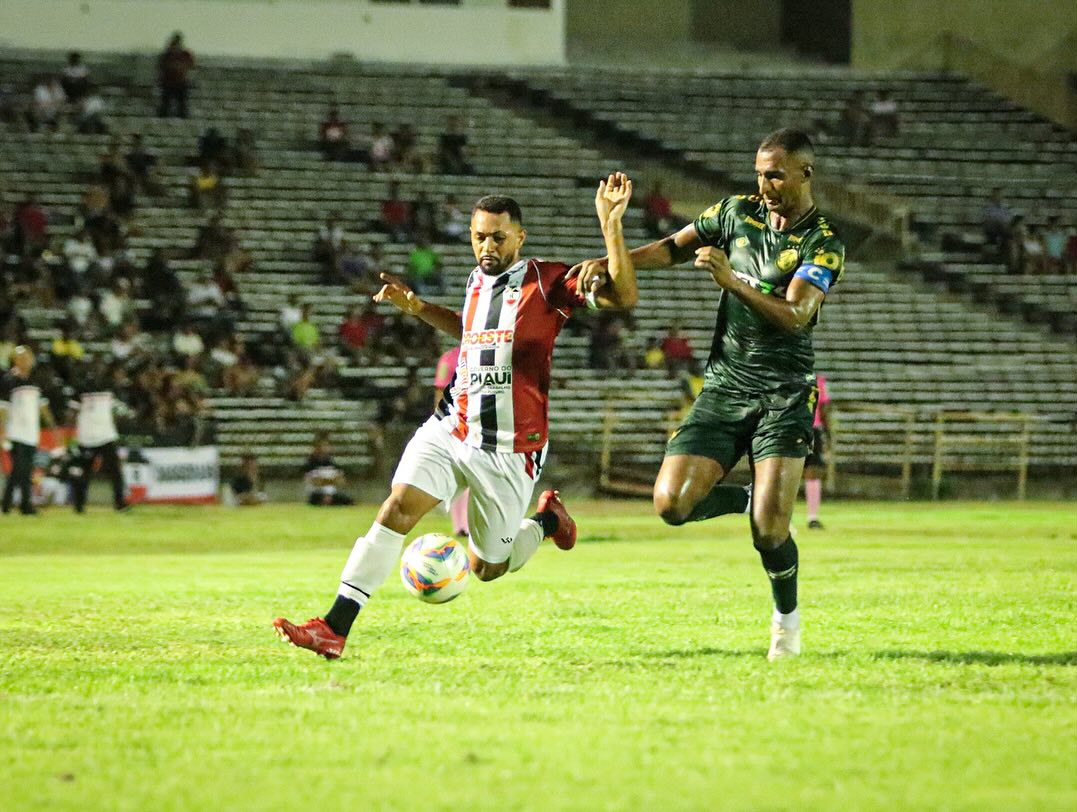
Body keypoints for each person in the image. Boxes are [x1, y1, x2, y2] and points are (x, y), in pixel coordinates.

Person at [273, 173, 639, 659]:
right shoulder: (474, 280)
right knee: (395, 509)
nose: (487, 246)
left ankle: (547, 523)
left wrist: (610, 226)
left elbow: (624, 297)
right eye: (479, 236)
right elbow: (469, 331)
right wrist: (418, 307)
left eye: (498, 237)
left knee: (490, 566)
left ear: (520, 237)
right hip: (453, 426)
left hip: (510, 450)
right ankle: (334, 628)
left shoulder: (546, 281)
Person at [573, 130, 845, 660]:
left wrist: (733, 282)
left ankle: (785, 622)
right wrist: (613, 260)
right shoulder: (734, 212)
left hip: (784, 394)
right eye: (760, 172)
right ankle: (758, 501)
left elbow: (796, 316)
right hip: (724, 386)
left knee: (769, 536)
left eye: (776, 174)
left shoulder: (824, 241)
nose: (764, 184)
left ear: (805, 174)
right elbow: (673, 250)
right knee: (670, 504)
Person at [1, 347, 54, 515]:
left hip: (31, 432)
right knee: (21, 468)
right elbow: (3, 408)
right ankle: (23, 504)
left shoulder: (35, 380)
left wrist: (52, 426)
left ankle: (9, 503)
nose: (27, 360)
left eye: (29, 357)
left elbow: (42, 406)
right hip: (16, 431)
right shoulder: (9, 380)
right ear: (15, 360)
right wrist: (2, 430)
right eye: (23, 357)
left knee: (22, 470)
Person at [434, 343, 469, 537]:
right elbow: (441, 391)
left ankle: (463, 525)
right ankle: (462, 525)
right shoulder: (451, 358)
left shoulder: (448, 358)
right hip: (457, 422)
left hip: (467, 422)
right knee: (464, 474)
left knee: (465, 475)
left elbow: (439, 390)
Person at [803, 373, 831, 530]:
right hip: (794, 427)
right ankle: (785, 517)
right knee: (786, 472)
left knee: (812, 472)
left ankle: (813, 517)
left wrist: (826, 432)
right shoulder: (789, 376)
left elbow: (824, 408)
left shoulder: (819, 381)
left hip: (812, 429)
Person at [303, 435, 355, 506]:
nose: (325, 448)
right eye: (322, 446)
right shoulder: (311, 462)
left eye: (326, 446)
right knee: (315, 498)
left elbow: (341, 480)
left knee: (348, 500)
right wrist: (331, 481)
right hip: (317, 493)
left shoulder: (331, 462)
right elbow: (315, 481)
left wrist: (325, 481)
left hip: (332, 493)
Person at [158, 32, 195, 118]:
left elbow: (191, 65)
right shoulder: (167, 55)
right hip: (168, 82)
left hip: (180, 83)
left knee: (182, 103)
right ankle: (164, 115)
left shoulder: (185, 54)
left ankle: (182, 115)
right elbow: (161, 66)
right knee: (166, 102)